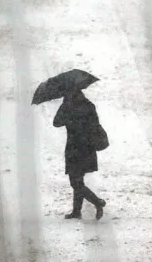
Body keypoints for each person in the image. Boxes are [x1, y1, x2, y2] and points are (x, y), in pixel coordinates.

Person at [53, 88, 106, 220]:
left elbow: (56, 122)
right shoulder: (89, 105)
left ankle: (97, 202)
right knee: (78, 180)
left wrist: (64, 109)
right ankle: (77, 211)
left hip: (74, 148)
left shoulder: (68, 107)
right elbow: (95, 124)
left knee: (75, 182)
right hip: (88, 148)